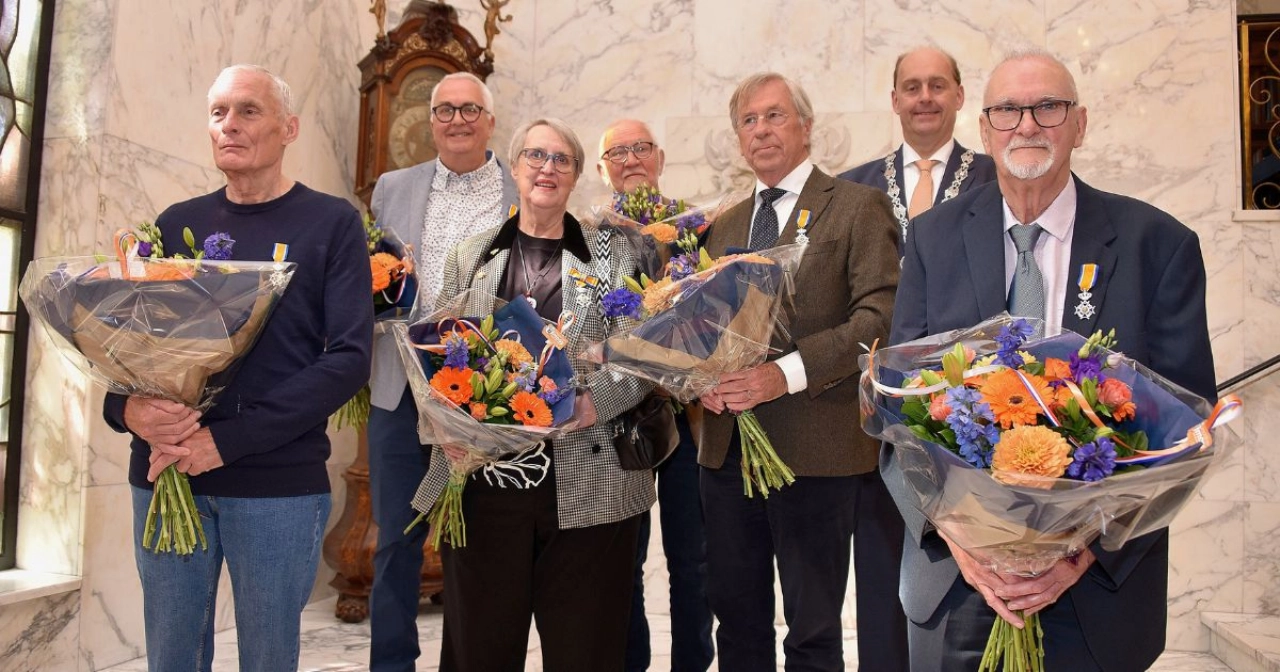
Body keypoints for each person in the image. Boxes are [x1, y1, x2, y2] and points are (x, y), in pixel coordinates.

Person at [885, 48, 1216, 671]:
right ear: (983, 129)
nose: (1028, 124)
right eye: (1008, 110)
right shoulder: (932, 240)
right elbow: (897, 413)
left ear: (1080, 124)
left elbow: (1185, 435)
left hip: (1098, 591)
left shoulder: (1158, 245)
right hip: (957, 584)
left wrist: (1075, 556)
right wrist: (963, 543)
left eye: (1048, 107)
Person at [101, 64, 373, 671]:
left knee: (268, 658)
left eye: (249, 110)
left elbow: (350, 359)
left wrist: (224, 442)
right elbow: (126, 346)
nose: (230, 125)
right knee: (171, 658)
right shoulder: (175, 225)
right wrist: (127, 410)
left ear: (288, 127)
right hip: (167, 474)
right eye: (219, 112)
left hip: (274, 485)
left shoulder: (330, 224)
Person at [410, 118, 655, 671]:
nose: (547, 168)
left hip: (590, 483)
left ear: (575, 176)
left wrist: (599, 401)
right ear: (515, 167)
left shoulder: (617, 255)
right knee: (480, 651)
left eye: (561, 159)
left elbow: (649, 353)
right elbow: (435, 354)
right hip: (484, 481)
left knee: (585, 652)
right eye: (535, 157)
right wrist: (448, 428)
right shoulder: (471, 255)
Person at [697, 72, 904, 671]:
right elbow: (702, 327)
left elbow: (880, 316)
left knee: (812, 632)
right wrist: (698, 377)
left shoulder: (857, 207)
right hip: (727, 450)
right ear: (738, 139)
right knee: (735, 625)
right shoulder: (724, 225)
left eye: (774, 115)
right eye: (748, 121)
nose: (760, 130)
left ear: (806, 127)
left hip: (815, 453)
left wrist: (782, 374)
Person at [365, 71, 518, 672]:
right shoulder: (391, 187)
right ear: (430, 120)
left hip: (488, 395)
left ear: (490, 121)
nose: (457, 120)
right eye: (444, 110)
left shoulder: (521, 188)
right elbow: (378, 273)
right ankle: (390, 664)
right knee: (395, 542)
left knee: (477, 545)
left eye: (469, 109)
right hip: (400, 389)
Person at [597, 118, 715, 672]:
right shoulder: (588, 236)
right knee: (623, 559)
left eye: (640, 147)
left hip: (689, 418)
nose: (630, 158)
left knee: (693, 562)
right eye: (616, 151)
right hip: (620, 418)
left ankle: (692, 662)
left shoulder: (697, 227)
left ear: (660, 158)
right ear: (602, 170)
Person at [840, 46, 996, 247]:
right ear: (896, 101)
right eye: (912, 88)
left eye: (937, 86)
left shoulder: (995, 177)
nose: (925, 97)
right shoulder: (853, 188)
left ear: (959, 96)